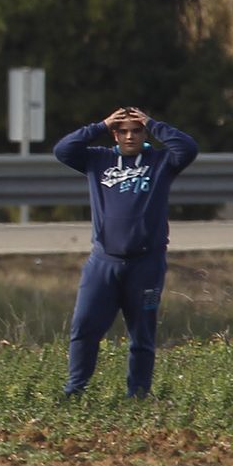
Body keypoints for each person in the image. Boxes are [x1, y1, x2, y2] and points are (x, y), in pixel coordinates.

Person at [54, 106, 198, 398]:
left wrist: (154, 124)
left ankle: (138, 395)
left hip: (146, 263)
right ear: (115, 134)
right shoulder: (97, 159)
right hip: (103, 263)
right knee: (84, 328)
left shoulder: (161, 162)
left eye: (136, 130)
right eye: (123, 131)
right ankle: (75, 391)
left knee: (141, 335)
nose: (129, 136)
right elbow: (63, 150)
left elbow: (188, 148)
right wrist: (100, 125)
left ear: (144, 134)